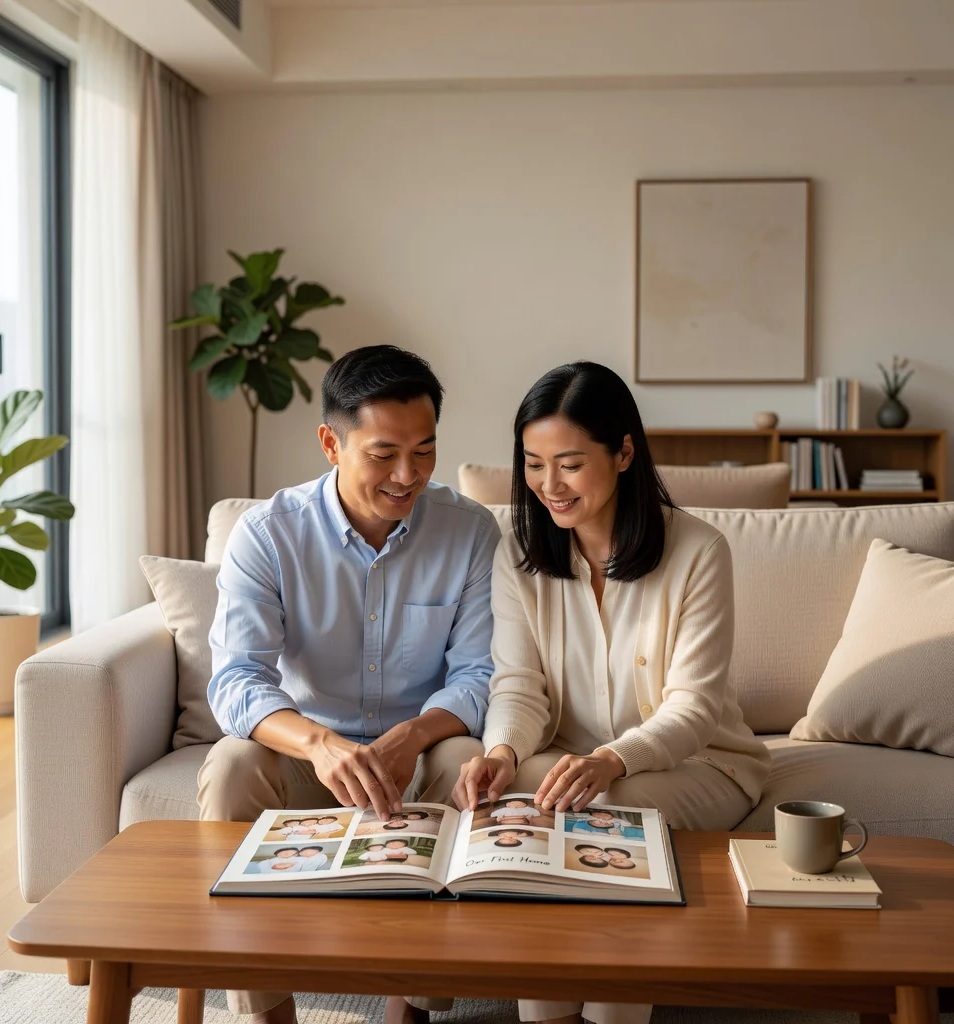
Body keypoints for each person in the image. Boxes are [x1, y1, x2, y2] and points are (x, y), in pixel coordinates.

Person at [453, 362, 770, 1024]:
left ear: (625, 451)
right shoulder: (517, 552)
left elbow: (694, 707)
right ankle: (549, 1015)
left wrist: (612, 759)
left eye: (569, 464)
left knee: (609, 817)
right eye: (534, 465)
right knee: (526, 813)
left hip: (702, 762)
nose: (549, 485)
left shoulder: (699, 550)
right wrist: (505, 749)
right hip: (570, 760)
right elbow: (519, 684)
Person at [199, 345, 501, 1024]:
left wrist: (415, 736)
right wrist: (321, 745)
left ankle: (410, 1006)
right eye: (384, 453)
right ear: (331, 443)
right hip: (313, 756)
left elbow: (481, 673)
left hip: (420, 755)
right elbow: (237, 678)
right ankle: (265, 1009)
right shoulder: (268, 534)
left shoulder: (470, 531)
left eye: (424, 451)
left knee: (462, 761)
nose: (408, 475)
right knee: (231, 765)